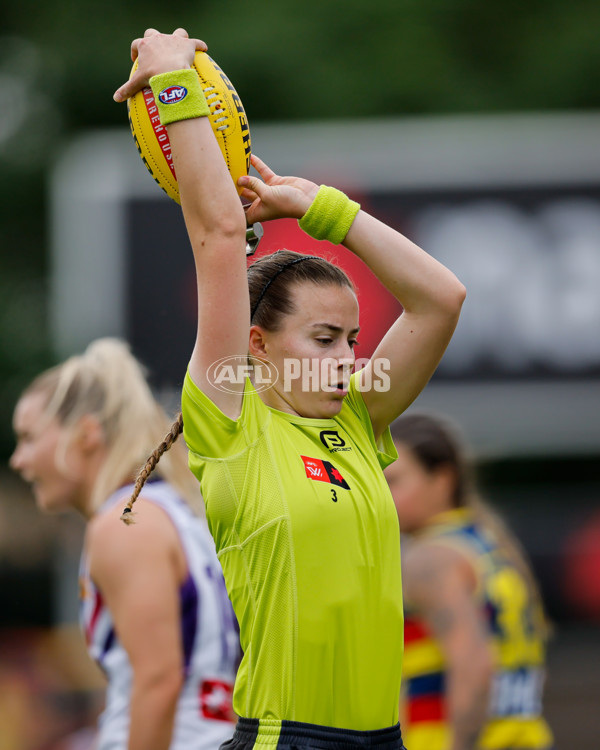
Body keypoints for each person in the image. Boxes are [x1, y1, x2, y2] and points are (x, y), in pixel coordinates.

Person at [112, 27, 466, 750]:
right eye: (324, 339)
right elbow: (216, 236)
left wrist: (318, 207)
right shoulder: (230, 421)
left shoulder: (359, 424)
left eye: (353, 342)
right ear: (256, 344)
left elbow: (442, 299)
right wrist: (174, 81)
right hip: (288, 739)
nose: (345, 360)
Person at [10, 338, 240, 750]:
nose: (19, 460)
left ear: (87, 434)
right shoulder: (171, 510)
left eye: (28, 438)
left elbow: (159, 682)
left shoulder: (125, 524)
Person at [385, 412, 555, 750]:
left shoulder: (431, 559)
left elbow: (475, 665)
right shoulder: (490, 545)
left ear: (442, 479)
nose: (381, 495)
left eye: (394, 481)